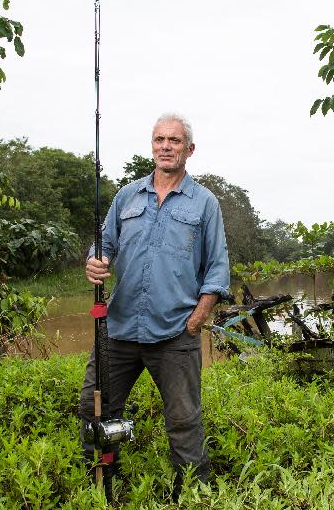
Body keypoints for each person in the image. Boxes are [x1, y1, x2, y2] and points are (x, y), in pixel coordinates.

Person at [79, 112, 230, 501]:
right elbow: (104, 245)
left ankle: (195, 493)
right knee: (95, 407)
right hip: (119, 329)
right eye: (160, 139)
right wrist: (95, 260)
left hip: (175, 333)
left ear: (189, 150)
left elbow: (217, 268)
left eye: (174, 141)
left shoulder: (205, 203)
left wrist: (197, 319)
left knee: (183, 420)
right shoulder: (126, 196)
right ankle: (103, 481)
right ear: (152, 146)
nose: (166, 146)